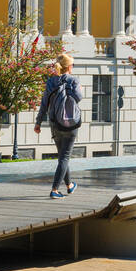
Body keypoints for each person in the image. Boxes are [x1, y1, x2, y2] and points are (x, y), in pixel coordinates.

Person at [35, 52, 83, 198]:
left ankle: (69, 185)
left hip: (55, 123)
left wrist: (38, 122)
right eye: (72, 65)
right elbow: (78, 98)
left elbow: (44, 104)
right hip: (72, 125)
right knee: (64, 157)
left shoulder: (51, 82)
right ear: (69, 67)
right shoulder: (74, 80)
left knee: (63, 156)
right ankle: (54, 190)